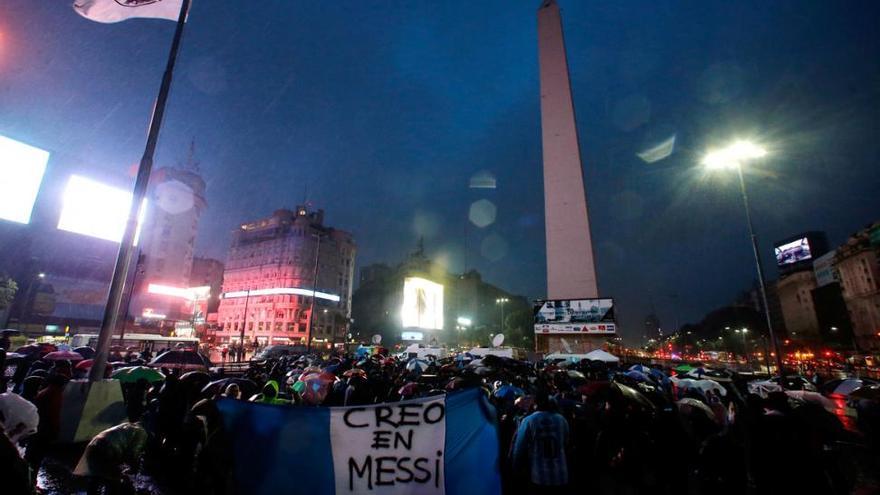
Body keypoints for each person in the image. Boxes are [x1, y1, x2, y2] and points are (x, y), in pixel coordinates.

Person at [511, 392, 570, 494]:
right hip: (561, 474)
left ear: (535, 404)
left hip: (539, 475)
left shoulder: (529, 420)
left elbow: (519, 448)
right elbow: (566, 443)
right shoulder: (561, 419)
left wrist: (515, 468)